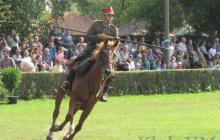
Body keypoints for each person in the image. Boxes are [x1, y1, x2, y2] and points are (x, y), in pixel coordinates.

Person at [61, 6, 118, 102]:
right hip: (91, 50)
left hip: (105, 53)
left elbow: (116, 42)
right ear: (104, 16)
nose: (110, 18)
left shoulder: (114, 29)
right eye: (108, 15)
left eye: (111, 16)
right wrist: (98, 36)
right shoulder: (96, 24)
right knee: (77, 63)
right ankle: (67, 83)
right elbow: (88, 37)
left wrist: (108, 38)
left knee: (111, 73)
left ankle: (104, 92)